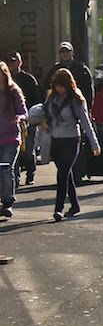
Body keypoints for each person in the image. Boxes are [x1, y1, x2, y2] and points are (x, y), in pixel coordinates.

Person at [44, 68, 100, 220]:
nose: (59, 89)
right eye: (57, 85)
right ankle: (75, 205)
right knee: (66, 173)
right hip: (55, 139)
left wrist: (94, 143)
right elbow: (46, 115)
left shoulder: (75, 99)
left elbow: (85, 122)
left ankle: (58, 208)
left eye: (62, 86)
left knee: (62, 174)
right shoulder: (51, 98)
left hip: (71, 139)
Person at [7, 52, 40, 186]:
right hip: (10, 121)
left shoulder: (29, 79)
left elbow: (37, 100)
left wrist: (33, 117)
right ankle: (15, 179)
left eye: (14, 61)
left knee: (27, 151)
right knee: (13, 151)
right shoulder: (4, 80)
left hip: (27, 120)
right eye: (9, 61)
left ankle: (30, 173)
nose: (11, 64)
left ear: (20, 62)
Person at [0, 61, 27, 218]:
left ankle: (8, 201)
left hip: (11, 137)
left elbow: (24, 112)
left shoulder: (13, 91)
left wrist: (19, 117)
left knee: (5, 167)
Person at [45, 41, 94, 110]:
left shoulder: (82, 69)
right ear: (59, 54)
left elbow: (89, 89)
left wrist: (88, 107)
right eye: (62, 51)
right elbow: (47, 88)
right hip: (59, 107)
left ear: (72, 53)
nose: (65, 53)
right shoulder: (54, 70)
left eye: (68, 51)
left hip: (78, 104)